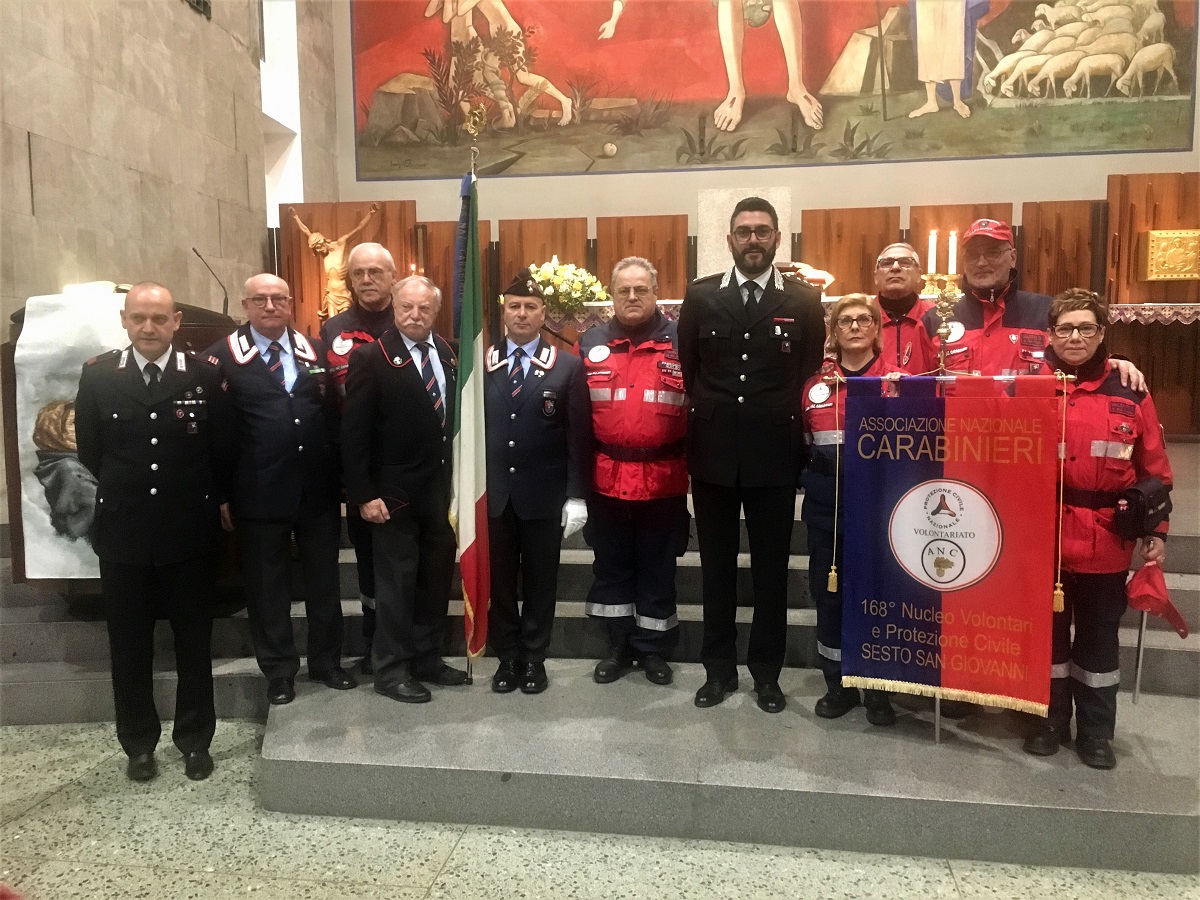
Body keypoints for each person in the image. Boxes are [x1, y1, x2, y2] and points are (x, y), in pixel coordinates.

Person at [74, 282, 233, 782]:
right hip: (124, 532)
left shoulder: (203, 374)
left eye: (159, 318)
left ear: (175, 321)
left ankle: (194, 740)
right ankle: (139, 744)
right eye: (139, 317)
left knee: (193, 643)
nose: (148, 327)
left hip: (189, 531)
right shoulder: (99, 375)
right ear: (125, 320)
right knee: (129, 646)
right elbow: (90, 450)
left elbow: (221, 448)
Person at [678, 196, 825, 712]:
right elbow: (690, 369)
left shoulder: (803, 300)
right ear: (730, 240)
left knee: (770, 572)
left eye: (763, 231)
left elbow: (808, 372)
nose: (754, 240)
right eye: (744, 231)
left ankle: (766, 674)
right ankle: (717, 671)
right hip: (714, 454)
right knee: (715, 570)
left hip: (774, 456)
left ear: (777, 238)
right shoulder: (701, 297)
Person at [1025, 288, 1172, 770]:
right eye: (1065, 328)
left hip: (1106, 541)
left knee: (1098, 643)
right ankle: (1047, 722)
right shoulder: (1025, 385)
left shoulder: (1131, 390)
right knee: (1045, 642)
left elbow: (1155, 469)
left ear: (1102, 333)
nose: (1075, 337)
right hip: (1040, 540)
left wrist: (1157, 530)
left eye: (1086, 327)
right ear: (1050, 334)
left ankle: (1094, 732)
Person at [206, 274, 354, 707]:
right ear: (245, 305)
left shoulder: (315, 350)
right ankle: (279, 670)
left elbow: (331, 415)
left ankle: (327, 662)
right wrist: (221, 492)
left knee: (324, 581)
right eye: (260, 299)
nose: (270, 306)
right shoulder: (220, 358)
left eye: (278, 299)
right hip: (257, 490)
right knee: (267, 586)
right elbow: (215, 433)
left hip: (317, 488)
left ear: (291, 303)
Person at [341, 275, 466, 703]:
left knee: (434, 581)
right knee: (395, 587)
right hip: (391, 495)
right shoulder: (370, 358)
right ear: (394, 307)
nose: (415, 315)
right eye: (406, 307)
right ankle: (391, 669)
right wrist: (362, 494)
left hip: (440, 493)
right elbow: (353, 433)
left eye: (424, 308)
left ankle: (427, 657)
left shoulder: (448, 353)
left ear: (436, 311)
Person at [580, 257, 690, 687]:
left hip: (663, 478)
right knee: (611, 566)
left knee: (658, 567)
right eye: (623, 290)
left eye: (640, 289)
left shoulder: (682, 342)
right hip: (606, 478)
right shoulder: (591, 343)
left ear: (656, 293)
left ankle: (653, 649)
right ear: (611, 295)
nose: (632, 297)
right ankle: (617, 647)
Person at [485, 269, 591, 693]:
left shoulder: (567, 367)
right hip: (494, 496)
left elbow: (578, 437)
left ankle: (534, 660)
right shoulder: (481, 364)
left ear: (544, 314)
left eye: (530, 307)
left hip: (543, 496)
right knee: (500, 585)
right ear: (503, 312)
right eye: (514, 306)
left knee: (541, 583)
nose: (522, 314)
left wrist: (576, 496)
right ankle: (506, 659)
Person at [801, 294, 903, 726]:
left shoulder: (899, 383)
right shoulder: (815, 386)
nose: (855, 327)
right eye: (846, 320)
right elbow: (804, 446)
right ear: (834, 330)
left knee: (879, 598)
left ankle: (878, 688)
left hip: (883, 508)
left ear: (877, 328)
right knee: (830, 596)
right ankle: (838, 684)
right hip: (828, 508)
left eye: (864, 319)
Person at [321, 242, 400, 675]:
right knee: (367, 563)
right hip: (357, 469)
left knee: (405, 561)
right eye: (358, 273)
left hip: (404, 467)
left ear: (392, 277)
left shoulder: (409, 321)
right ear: (349, 279)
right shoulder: (332, 330)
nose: (366, 280)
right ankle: (373, 644)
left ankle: (405, 644)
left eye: (375, 272)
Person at [289, 203, 379, 321]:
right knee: (332, 323)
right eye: (316, 249)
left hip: (343, 294)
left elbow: (359, 229)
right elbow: (306, 231)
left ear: (323, 241)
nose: (319, 251)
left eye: (319, 247)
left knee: (346, 323)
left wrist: (371, 214)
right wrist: (295, 217)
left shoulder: (341, 244)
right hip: (331, 295)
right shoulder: (324, 253)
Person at [873, 242, 937, 375]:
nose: (895, 267)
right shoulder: (860, 318)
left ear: (919, 275)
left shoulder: (936, 317)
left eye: (905, 262)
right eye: (887, 263)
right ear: (876, 276)